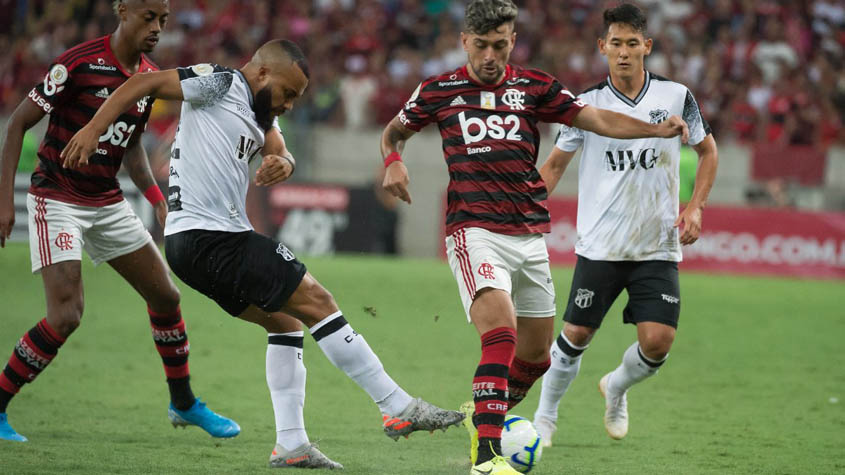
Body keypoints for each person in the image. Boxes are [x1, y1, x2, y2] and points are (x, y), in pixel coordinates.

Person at [60, 39, 465, 469]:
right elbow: (141, 83)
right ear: (264, 74)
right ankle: (397, 407)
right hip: (211, 237)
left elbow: (279, 148)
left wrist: (284, 164)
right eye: (288, 93)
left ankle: (291, 445)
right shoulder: (219, 83)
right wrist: (92, 129)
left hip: (194, 246)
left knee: (287, 323)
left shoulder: (260, 114)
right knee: (320, 302)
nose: (290, 104)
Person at [378, 1, 689, 473]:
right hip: (474, 229)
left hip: (527, 234)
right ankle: (486, 457)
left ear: (512, 42)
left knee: (537, 356)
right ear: (465, 42)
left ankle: (479, 415)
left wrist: (653, 130)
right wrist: (392, 161)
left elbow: (597, 119)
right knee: (500, 334)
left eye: (499, 46)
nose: (489, 56)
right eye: (480, 46)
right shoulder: (439, 90)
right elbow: (394, 132)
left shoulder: (535, 87)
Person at [0, 0, 238, 443]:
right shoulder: (77, 63)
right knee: (66, 316)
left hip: (106, 201)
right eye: (148, 17)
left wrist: (156, 198)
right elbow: (17, 124)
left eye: (163, 20)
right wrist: (3, 202)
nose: (157, 28)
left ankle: (183, 403)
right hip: (57, 197)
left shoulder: (149, 77)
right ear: (122, 11)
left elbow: (129, 147)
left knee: (166, 296)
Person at [532, 3, 718, 446]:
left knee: (658, 342)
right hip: (601, 245)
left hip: (656, 244)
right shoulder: (587, 106)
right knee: (576, 333)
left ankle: (616, 387)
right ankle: (546, 417)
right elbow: (556, 164)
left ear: (646, 47)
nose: (623, 52)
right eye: (615, 43)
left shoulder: (676, 97)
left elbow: (708, 151)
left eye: (632, 43)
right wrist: (522, 205)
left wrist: (695, 207)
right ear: (602, 47)